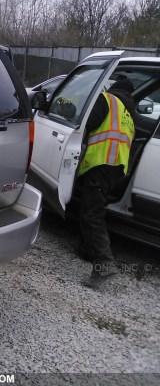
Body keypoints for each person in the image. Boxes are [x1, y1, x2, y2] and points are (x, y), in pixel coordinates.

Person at [75, 77, 136, 288]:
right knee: (91, 206)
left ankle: (104, 264)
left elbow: (85, 125)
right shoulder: (129, 115)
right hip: (117, 169)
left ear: (114, 88)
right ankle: (85, 250)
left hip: (101, 163)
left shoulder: (107, 100)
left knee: (92, 214)